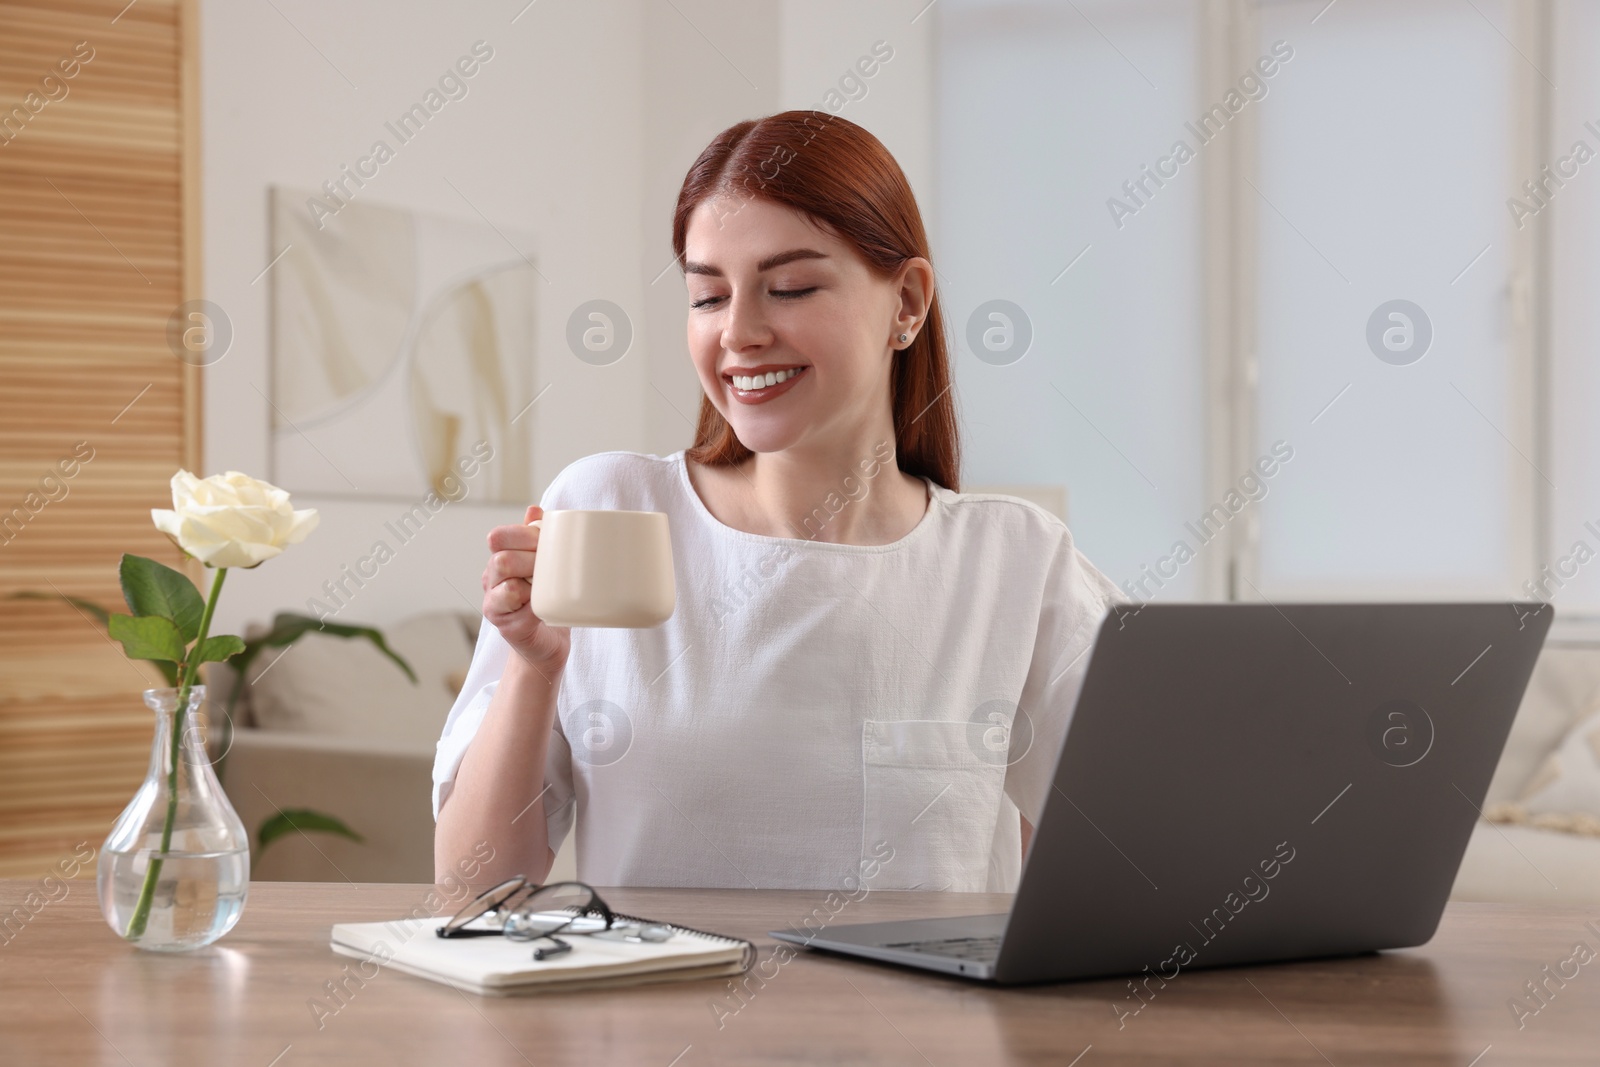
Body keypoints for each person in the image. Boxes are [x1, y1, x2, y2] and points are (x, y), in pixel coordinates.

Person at [433, 111, 1119, 893]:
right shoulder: (608, 509)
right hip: (653, 1014)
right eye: (708, 297)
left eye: (788, 287)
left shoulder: (1016, 562)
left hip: (923, 1020)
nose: (740, 332)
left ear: (908, 303)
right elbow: (470, 888)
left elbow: (1152, 835)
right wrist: (535, 666)